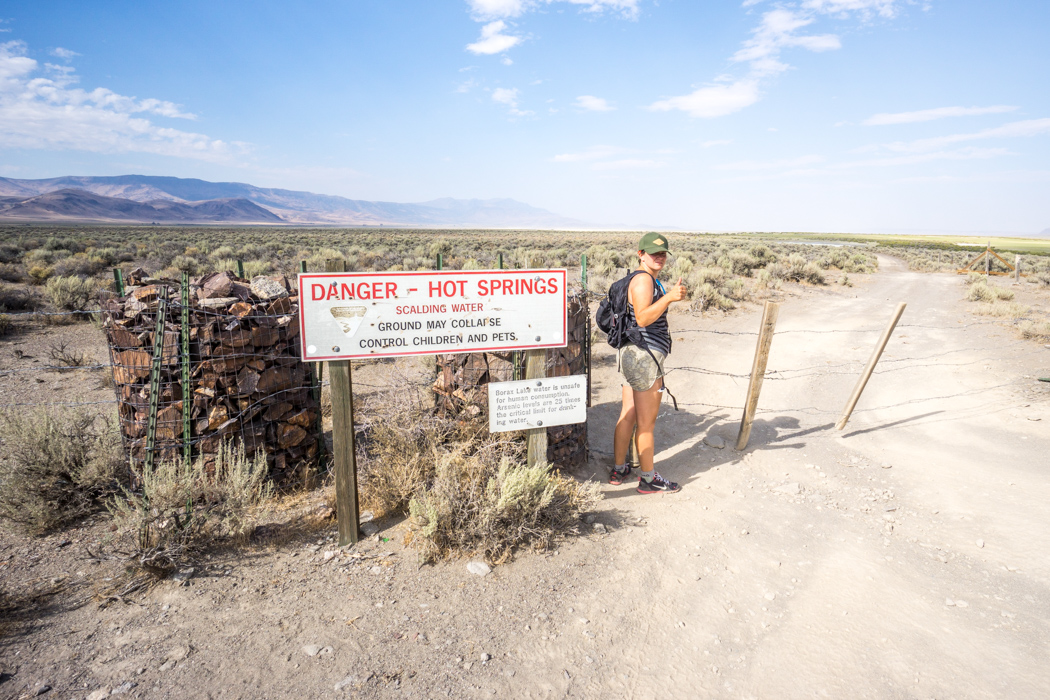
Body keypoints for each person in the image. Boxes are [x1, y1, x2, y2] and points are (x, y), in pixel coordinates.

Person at [610, 232, 687, 493]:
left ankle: (619, 469)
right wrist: (669, 297)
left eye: (663, 253)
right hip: (644, 357)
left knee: (628, 414)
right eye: (653, 253)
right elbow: (642, 318)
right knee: (646, 423)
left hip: (632, 354)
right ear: (640, 254)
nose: (659, 257)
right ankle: (648, 479)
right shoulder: (643, 281)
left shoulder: (640, 279)